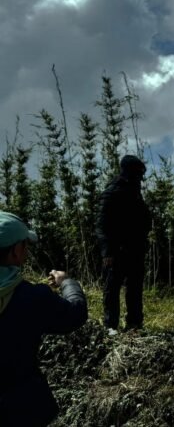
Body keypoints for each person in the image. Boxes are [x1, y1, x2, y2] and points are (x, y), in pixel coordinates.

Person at [0, 211, 88, 426]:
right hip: (20, 407)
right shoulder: (31, 296)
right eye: (25, 245)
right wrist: (67, 282)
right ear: (14, 252)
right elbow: (75, 313)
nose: (26, 251)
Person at [97, 154, 151, 334]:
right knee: (112, 289)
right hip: (116, 251)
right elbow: (103, 225)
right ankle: (111, 326)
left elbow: (143, 219)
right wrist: (107, 253)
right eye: (139, 173)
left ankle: (134, 324)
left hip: (135, 249)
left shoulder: (134, 191)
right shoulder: (113, 192)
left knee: (134, 289)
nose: (141, 178)